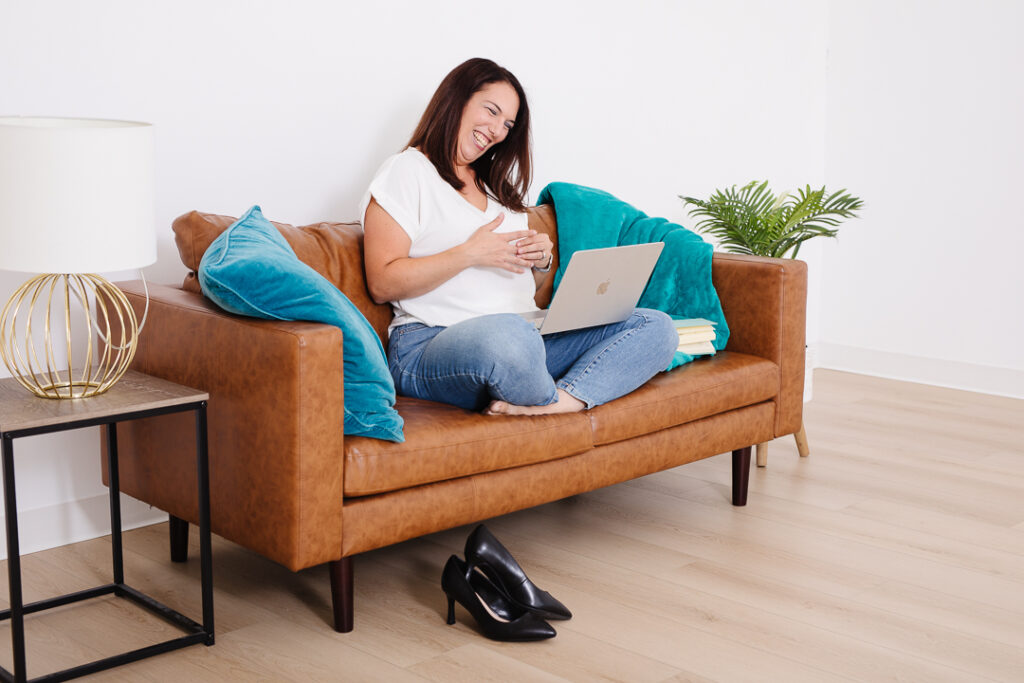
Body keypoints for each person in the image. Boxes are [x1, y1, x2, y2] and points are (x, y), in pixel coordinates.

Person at [359, 58, 677, 416]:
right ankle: (552, 393)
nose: (496, 130)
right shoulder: (408, 170)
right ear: (457, 100)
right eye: (491, 111)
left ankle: (557, 404)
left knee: (655, 326)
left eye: (507, 124)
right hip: (431, 344)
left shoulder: (498, 190)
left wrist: (541, 261)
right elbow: (382, 282)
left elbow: (518, 284)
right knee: (508, 336)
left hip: (527, 337)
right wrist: (469, 253)